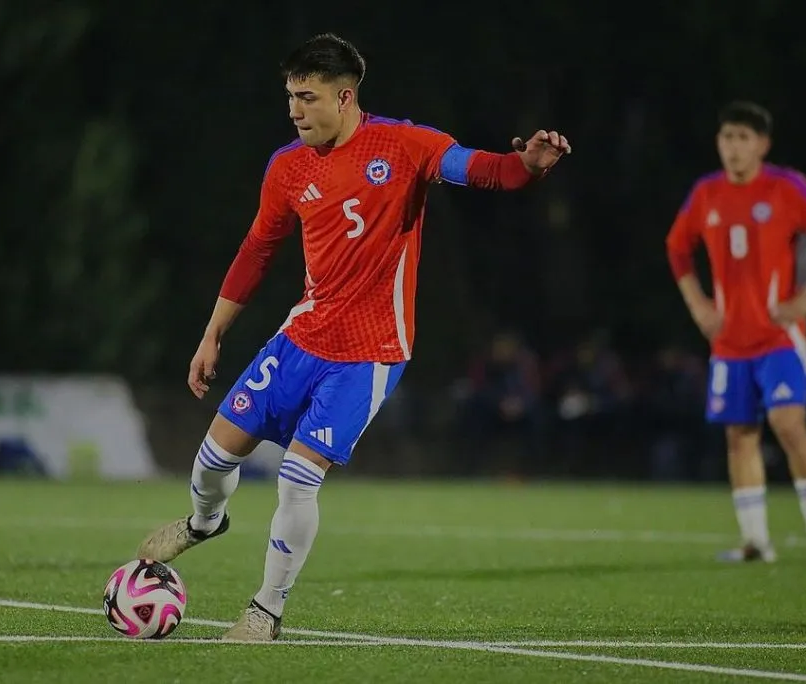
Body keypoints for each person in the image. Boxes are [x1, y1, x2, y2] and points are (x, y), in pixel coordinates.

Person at [137, 33, 571, 641]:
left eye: (307, 98)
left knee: (296, 477)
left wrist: (525, 167)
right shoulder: (287, 166)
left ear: (345, 97)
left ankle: (266, 609)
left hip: (368, 353)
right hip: (299, 340)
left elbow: (482, 170)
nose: (294, 110)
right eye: (290, 96)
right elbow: (257, 249)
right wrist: (212, 334)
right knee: (213, 460)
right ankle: (205, 523)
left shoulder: (405, 144)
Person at [665, 100, 806, 565]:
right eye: (727, 137)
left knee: (789, 425)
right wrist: (697, 305)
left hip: (779, 338)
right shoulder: (706, 193)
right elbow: (676, 247)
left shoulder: (786, 187)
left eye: (743, 138)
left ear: (763, 144)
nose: (733, 147)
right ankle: (756, 542)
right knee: (739, 436)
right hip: (729, 342)